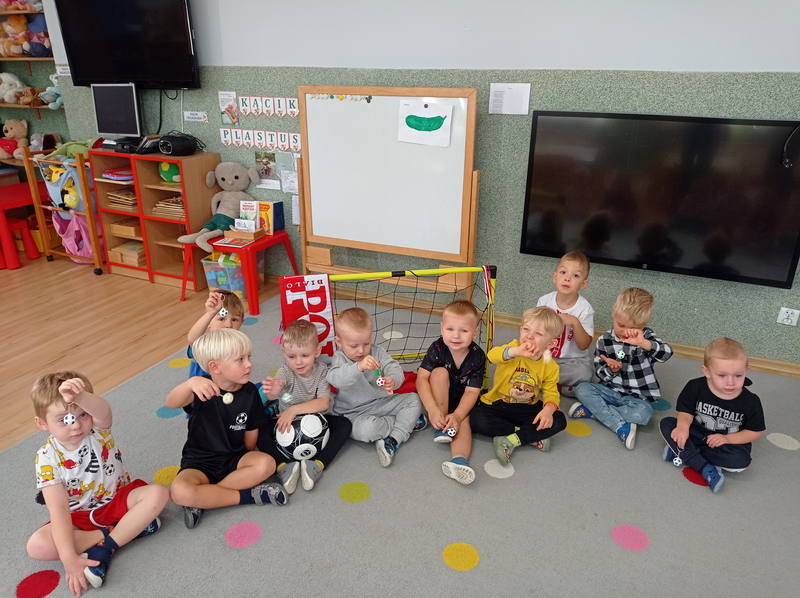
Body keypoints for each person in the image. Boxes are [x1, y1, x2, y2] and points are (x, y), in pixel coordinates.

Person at [28, 372, 169, 596]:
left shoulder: (98, 431)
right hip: (79, 517)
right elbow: (59, 509)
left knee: (158, 494)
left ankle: (106, 547)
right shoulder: (46, 458)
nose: (76, 425)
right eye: (65, 419)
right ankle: (123, 530)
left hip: (119, 500)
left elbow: (103, 411)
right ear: (42, 423)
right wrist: (69, 559)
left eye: (83, 414)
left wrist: (80, 397)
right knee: (37, 546)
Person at [167, 328, 286, 530]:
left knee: (266, 464)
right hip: (199, 462)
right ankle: (247, 496)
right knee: (179, 492)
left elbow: (250, 436)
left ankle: (204, 498)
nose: (249, 364)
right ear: (215, 367)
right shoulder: (201, 389)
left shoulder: (250, 391)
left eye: (248, 357)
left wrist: (247, 457)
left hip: (234, 457)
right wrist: (190, 383)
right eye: (240, 359)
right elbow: (171, 403)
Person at [257, 319, 353, 493]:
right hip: (287, 423)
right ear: (284, 353)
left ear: (317, 352)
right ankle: (284, 465)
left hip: (319, 420)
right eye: (292, 357)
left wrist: (294, 410)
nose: (298, 362)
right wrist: (273, 391)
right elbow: (273, 394)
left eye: (305, 355)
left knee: (345, 425)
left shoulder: (322, 371)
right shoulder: (285, 372)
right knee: (259, 429)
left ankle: (317, 464)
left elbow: (324, 402)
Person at [659, 338, 765, 493]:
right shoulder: (694, 387)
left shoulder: (751, 401)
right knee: (667, 424)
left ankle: (682, 451)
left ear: (746, 371)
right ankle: (704, 467)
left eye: (738, 375)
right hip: (696, 432)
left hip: (726, 442)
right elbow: (686, 411)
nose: (730, 382)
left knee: (741, 461)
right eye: (722, 375)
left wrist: (728, 439)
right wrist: (682, 427)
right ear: (707, 371)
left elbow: (754, 432)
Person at [572, 287, 673, 449]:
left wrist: (644, 343)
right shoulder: (604, 341)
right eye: (621, 325)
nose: (626, 332)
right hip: (609, 392)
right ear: (614, 313)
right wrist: (611, 370)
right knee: (582, 389)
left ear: (644, 324)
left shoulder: (646, 337)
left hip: (638, 398)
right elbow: (600, 373)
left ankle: (595, 412)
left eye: (634, 328)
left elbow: (667, 353)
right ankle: (619, 424)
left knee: (645, 414)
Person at [471, 306, 567, 465]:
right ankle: (527, 436)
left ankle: (511, 440)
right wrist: (515, 352)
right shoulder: (513, 348)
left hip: (528, 408)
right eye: (526, 329)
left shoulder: (550, 366)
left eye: (538, 333)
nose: (529, 336)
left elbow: (551, 392)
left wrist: (548, 410)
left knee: (559, 419)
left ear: (551, 343)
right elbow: (491, 356)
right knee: (476, 418)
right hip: (499, 404)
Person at [327, 307, 422, 467]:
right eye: (354, 346)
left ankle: (394, 438)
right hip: (353, 413)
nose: (361, 350)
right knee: (368, 430)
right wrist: (358, 367)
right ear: (339, 342)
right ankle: (407, 422)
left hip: (381, 402)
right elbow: (336, 379)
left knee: (414, 399)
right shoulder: (339, 358)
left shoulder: (377, 351)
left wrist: (393, 379)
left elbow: (393, 366)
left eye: (366, 343)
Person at [416, 300, 486, 484]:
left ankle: (459, 460)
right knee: (439, 372)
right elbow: (421, 379)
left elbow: (472, 392)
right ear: (442, 328)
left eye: (464, 331)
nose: (456, 336)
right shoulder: (437, 348)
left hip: (464, 400)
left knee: (464, 421)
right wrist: (432, 409)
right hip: (440, 397)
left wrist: (458, 415)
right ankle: (440, 426)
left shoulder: (478, 356)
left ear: (475, 332)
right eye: (450, 329)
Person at [537, 251, 594, 397]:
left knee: (585, 373)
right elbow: (535, 333)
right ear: (555, 277)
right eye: (563, 272)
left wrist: (574, 322)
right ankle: (557, 385)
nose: (567, 278)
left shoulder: (585, 309)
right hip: (547, 356)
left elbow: (584, 345)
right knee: (523, 356)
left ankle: (544, 381)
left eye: (576, 275)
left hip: (573, 361)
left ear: (583, 284)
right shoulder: (544, 302)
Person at [186, 290, 245, 377]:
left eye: (234, 320)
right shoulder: (205, 343)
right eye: (222, 319)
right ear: (209, 322)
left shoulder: (239, 343)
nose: (229, 325)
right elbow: (193, 340)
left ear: (241, 322)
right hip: (203, 384)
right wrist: (211, 313)